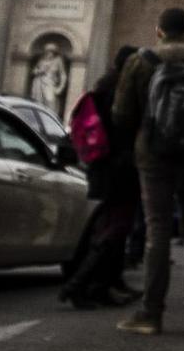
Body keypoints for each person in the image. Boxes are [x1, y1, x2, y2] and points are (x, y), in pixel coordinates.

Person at [112, 6, 184, 336]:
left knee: (157, 230)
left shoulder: (140, 61)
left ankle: (151, 313)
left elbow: (121, 114)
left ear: (159, 30)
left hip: (153, 157)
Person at [59, 44, 141, 309]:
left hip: (103, 168)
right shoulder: (121, 93)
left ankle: (101, 286)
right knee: (113, 229)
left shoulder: (102, 88)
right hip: (119, 169)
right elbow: (125, 131)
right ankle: (79, 286)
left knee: (108, 228)